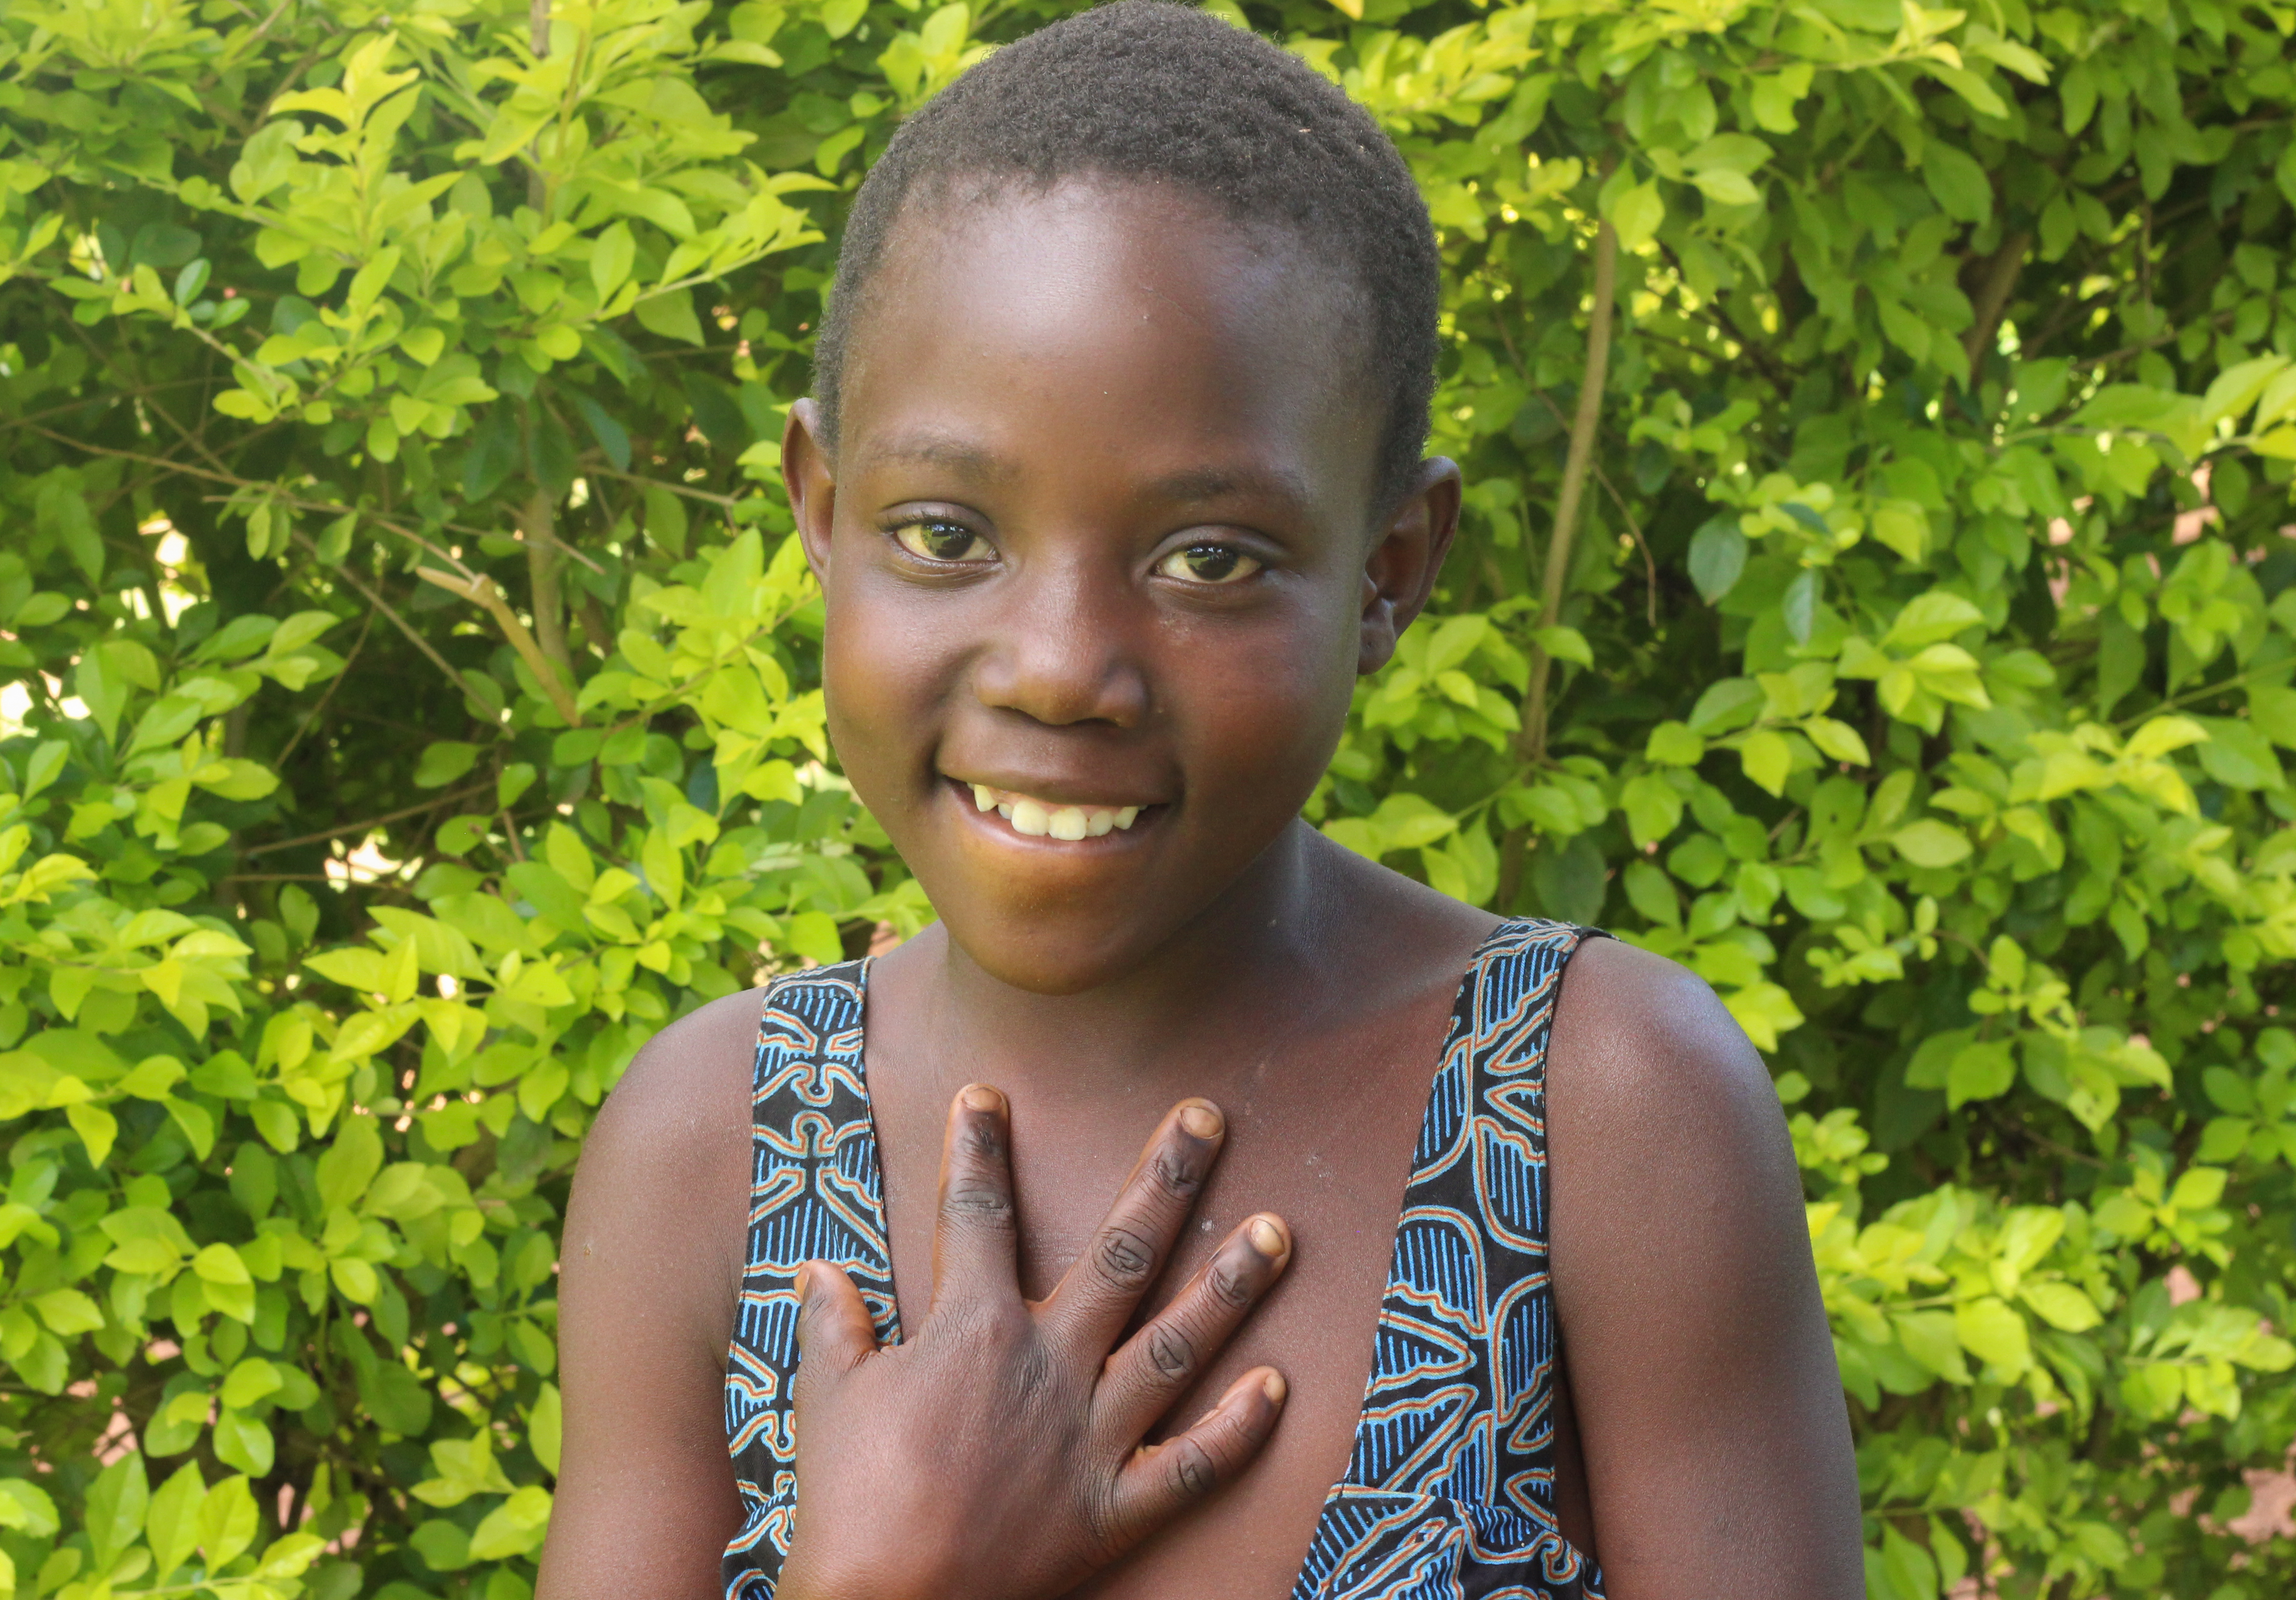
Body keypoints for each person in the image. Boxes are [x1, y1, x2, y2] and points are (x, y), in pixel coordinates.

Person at [539, 5, 1864, 1597]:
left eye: (1208, 560)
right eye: (948, 533)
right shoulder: (705, 1148)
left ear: (1388, 572)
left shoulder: (1603, 1116)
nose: (1056, 670)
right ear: (823, 512)